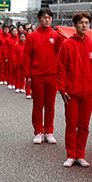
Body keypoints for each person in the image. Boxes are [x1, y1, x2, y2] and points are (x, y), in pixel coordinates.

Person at [56, 12, 92, 168]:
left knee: (84, 126)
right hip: (72, 93)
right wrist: (62, 89)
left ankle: (80, 155)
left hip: (88, 92)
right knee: (71, 125)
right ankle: (71, 155)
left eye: (87, 23)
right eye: (81, 23)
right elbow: (61, 68)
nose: (84, 25)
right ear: (74, 25)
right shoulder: (67, 45)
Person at [24, 8, 63, 144]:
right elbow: (27, 57)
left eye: (49, 18)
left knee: (50, 105)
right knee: (38, 105)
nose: (47, 20)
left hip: (52, 75)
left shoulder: (57, 36)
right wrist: (28, 76)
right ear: (39, 19)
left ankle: (49, 131)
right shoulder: (32, 36)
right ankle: (38, 131)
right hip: (37, 75)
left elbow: (61, 51)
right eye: (45, 17)